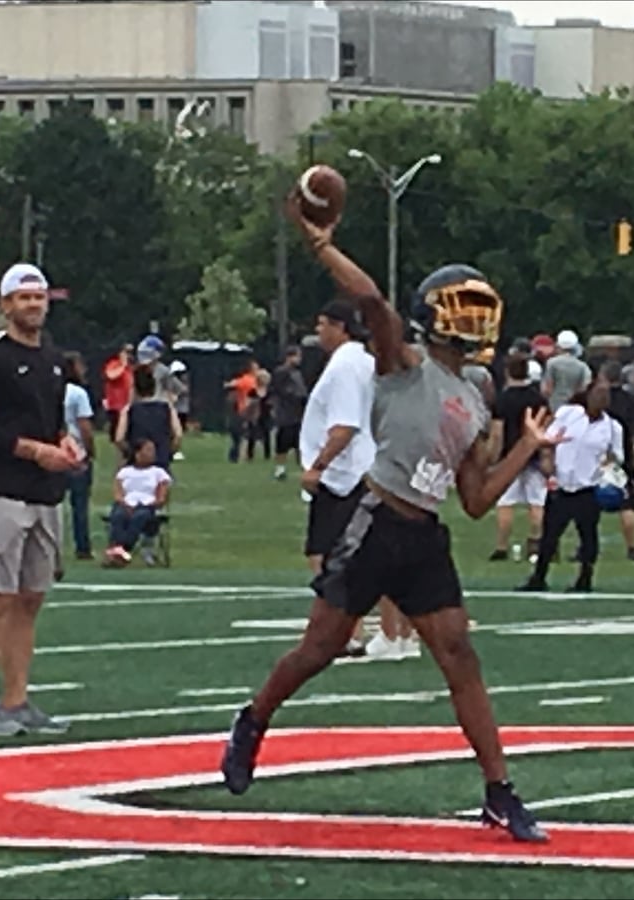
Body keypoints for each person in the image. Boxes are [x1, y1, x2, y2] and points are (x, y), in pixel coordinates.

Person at [221, 190, 561, 844]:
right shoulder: (404, 362)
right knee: (320, 648)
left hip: (423, 533)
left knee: (459, 653)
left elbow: (476, 499)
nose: (471, 322)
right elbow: (373, 302)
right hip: (374, 520)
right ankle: (255, 719)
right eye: (460, 308)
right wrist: (321, 244)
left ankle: (500, 792)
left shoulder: (475, 394)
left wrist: (526, 447)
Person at [0, 263, 83, 737]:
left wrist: (65, 445)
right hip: (1, 489)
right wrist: (33, 450)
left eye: (40, 297)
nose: (34, 304)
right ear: (6, 304)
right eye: (25, 297)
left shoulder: (53, 359)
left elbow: (50, 420)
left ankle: (17, 697)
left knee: (31, 598)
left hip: (43, 492)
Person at [298, 300, 398, 660]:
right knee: (368, 554)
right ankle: (389, 634)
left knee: (329, 555)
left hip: (345, 474)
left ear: (340, 326)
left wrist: (318, 466)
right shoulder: (364, 362)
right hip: (363, 468)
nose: (318, 331)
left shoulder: (344, 366)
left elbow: (344, 425)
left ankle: (347, 632)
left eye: (323, 324)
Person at [519, 377, 623, 593]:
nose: (602, 398)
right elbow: (549, 439)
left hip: (588, 487)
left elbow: (617, 457)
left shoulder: (612, 428)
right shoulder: (569, 414)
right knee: (549, 535)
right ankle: (539, 576)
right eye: (598, 393)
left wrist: (608, 465)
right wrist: (547, 460)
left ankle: (585, 577)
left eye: (606, 395)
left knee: (588, 535)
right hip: (561, 484)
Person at [490, 352, 549, 563]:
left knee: (506, 503)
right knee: (537, 502)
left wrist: (493, 458)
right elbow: (545, 428)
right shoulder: (538, 399)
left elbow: (497, 433)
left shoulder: (502, 399)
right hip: (533, 453)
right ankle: (535, 545)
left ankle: (502, 546)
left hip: (509, 455)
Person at [602, 361, 634, 562]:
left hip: (597, 455)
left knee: (588, 505)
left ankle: (584, 545)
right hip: (625, 455)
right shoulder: (631, 400)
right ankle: (632, 547)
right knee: (627, 505)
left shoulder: (597, 399)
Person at [103, 439, 172, 567]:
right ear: (137, 453)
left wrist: (151, 504)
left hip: (148, 506)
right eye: (148, 450)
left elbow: (161, 497)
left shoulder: (159, 473)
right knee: (118, 516)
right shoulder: (125, 472)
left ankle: (121, 551)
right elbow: (118, 493)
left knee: (139, 517)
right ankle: (119, 553)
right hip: (126, 504)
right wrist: (125, 504)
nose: (152, 454)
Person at [116, 366, 181, 474]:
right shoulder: (167, 408)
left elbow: (119, 438)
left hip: (136, 464)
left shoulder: (129, 410)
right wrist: (168, 452)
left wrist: (130, 453)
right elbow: (178, 435)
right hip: (161, 462)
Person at [62, 352, 96, 561]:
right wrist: (90, 451)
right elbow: (85, 426)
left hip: (55, 449)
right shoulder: (78, 393)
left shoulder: (51, 390)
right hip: (76, 452)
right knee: (80, 504)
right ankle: (82, 547)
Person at [270, 346, 309, 481]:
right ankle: (280, 469)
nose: (299, 359)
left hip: (298, 414)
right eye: (297, 356)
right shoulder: (281, 372)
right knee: (283, 442)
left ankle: (304, 468)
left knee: (300, 443)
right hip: (286, 413)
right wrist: (296, 396)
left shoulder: (297, 373)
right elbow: (280, 389)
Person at [541, 329, 591, 413]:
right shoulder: (582, 366)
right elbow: (583, 388)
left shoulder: (551, 363)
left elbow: (548, 389)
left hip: (555, 406)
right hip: (575, 408)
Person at [225, 359, 259, 463]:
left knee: (241, 436)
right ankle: (243, 456)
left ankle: (237, 456)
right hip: (247, 410)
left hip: (242, 410)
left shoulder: (243, 380)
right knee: (246, 435)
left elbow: (229, 385)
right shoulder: (250, 380)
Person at [102, 344, 134, 441]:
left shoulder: (131, 368)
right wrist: (123, 365)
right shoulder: (113, 364)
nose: (129, 355)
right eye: (126, 352)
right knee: (117, 437)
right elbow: (111, 375)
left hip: (128, 406)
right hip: (116, 407)